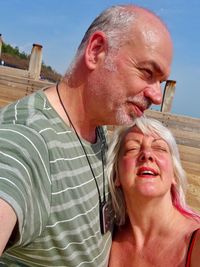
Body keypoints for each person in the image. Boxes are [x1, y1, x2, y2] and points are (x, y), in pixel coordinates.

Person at [0, 4, 173, 266]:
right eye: (147, 73)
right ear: (96, 51)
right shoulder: (25, 140)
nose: (156, 96)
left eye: (160, 81)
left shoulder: (97, 127)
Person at [107, 116, 200, 267]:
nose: (147, 154)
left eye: (160, 148)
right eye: (132, 148)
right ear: (116, 175)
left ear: (174, 175)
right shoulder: (105, 240)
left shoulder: (195, 243)